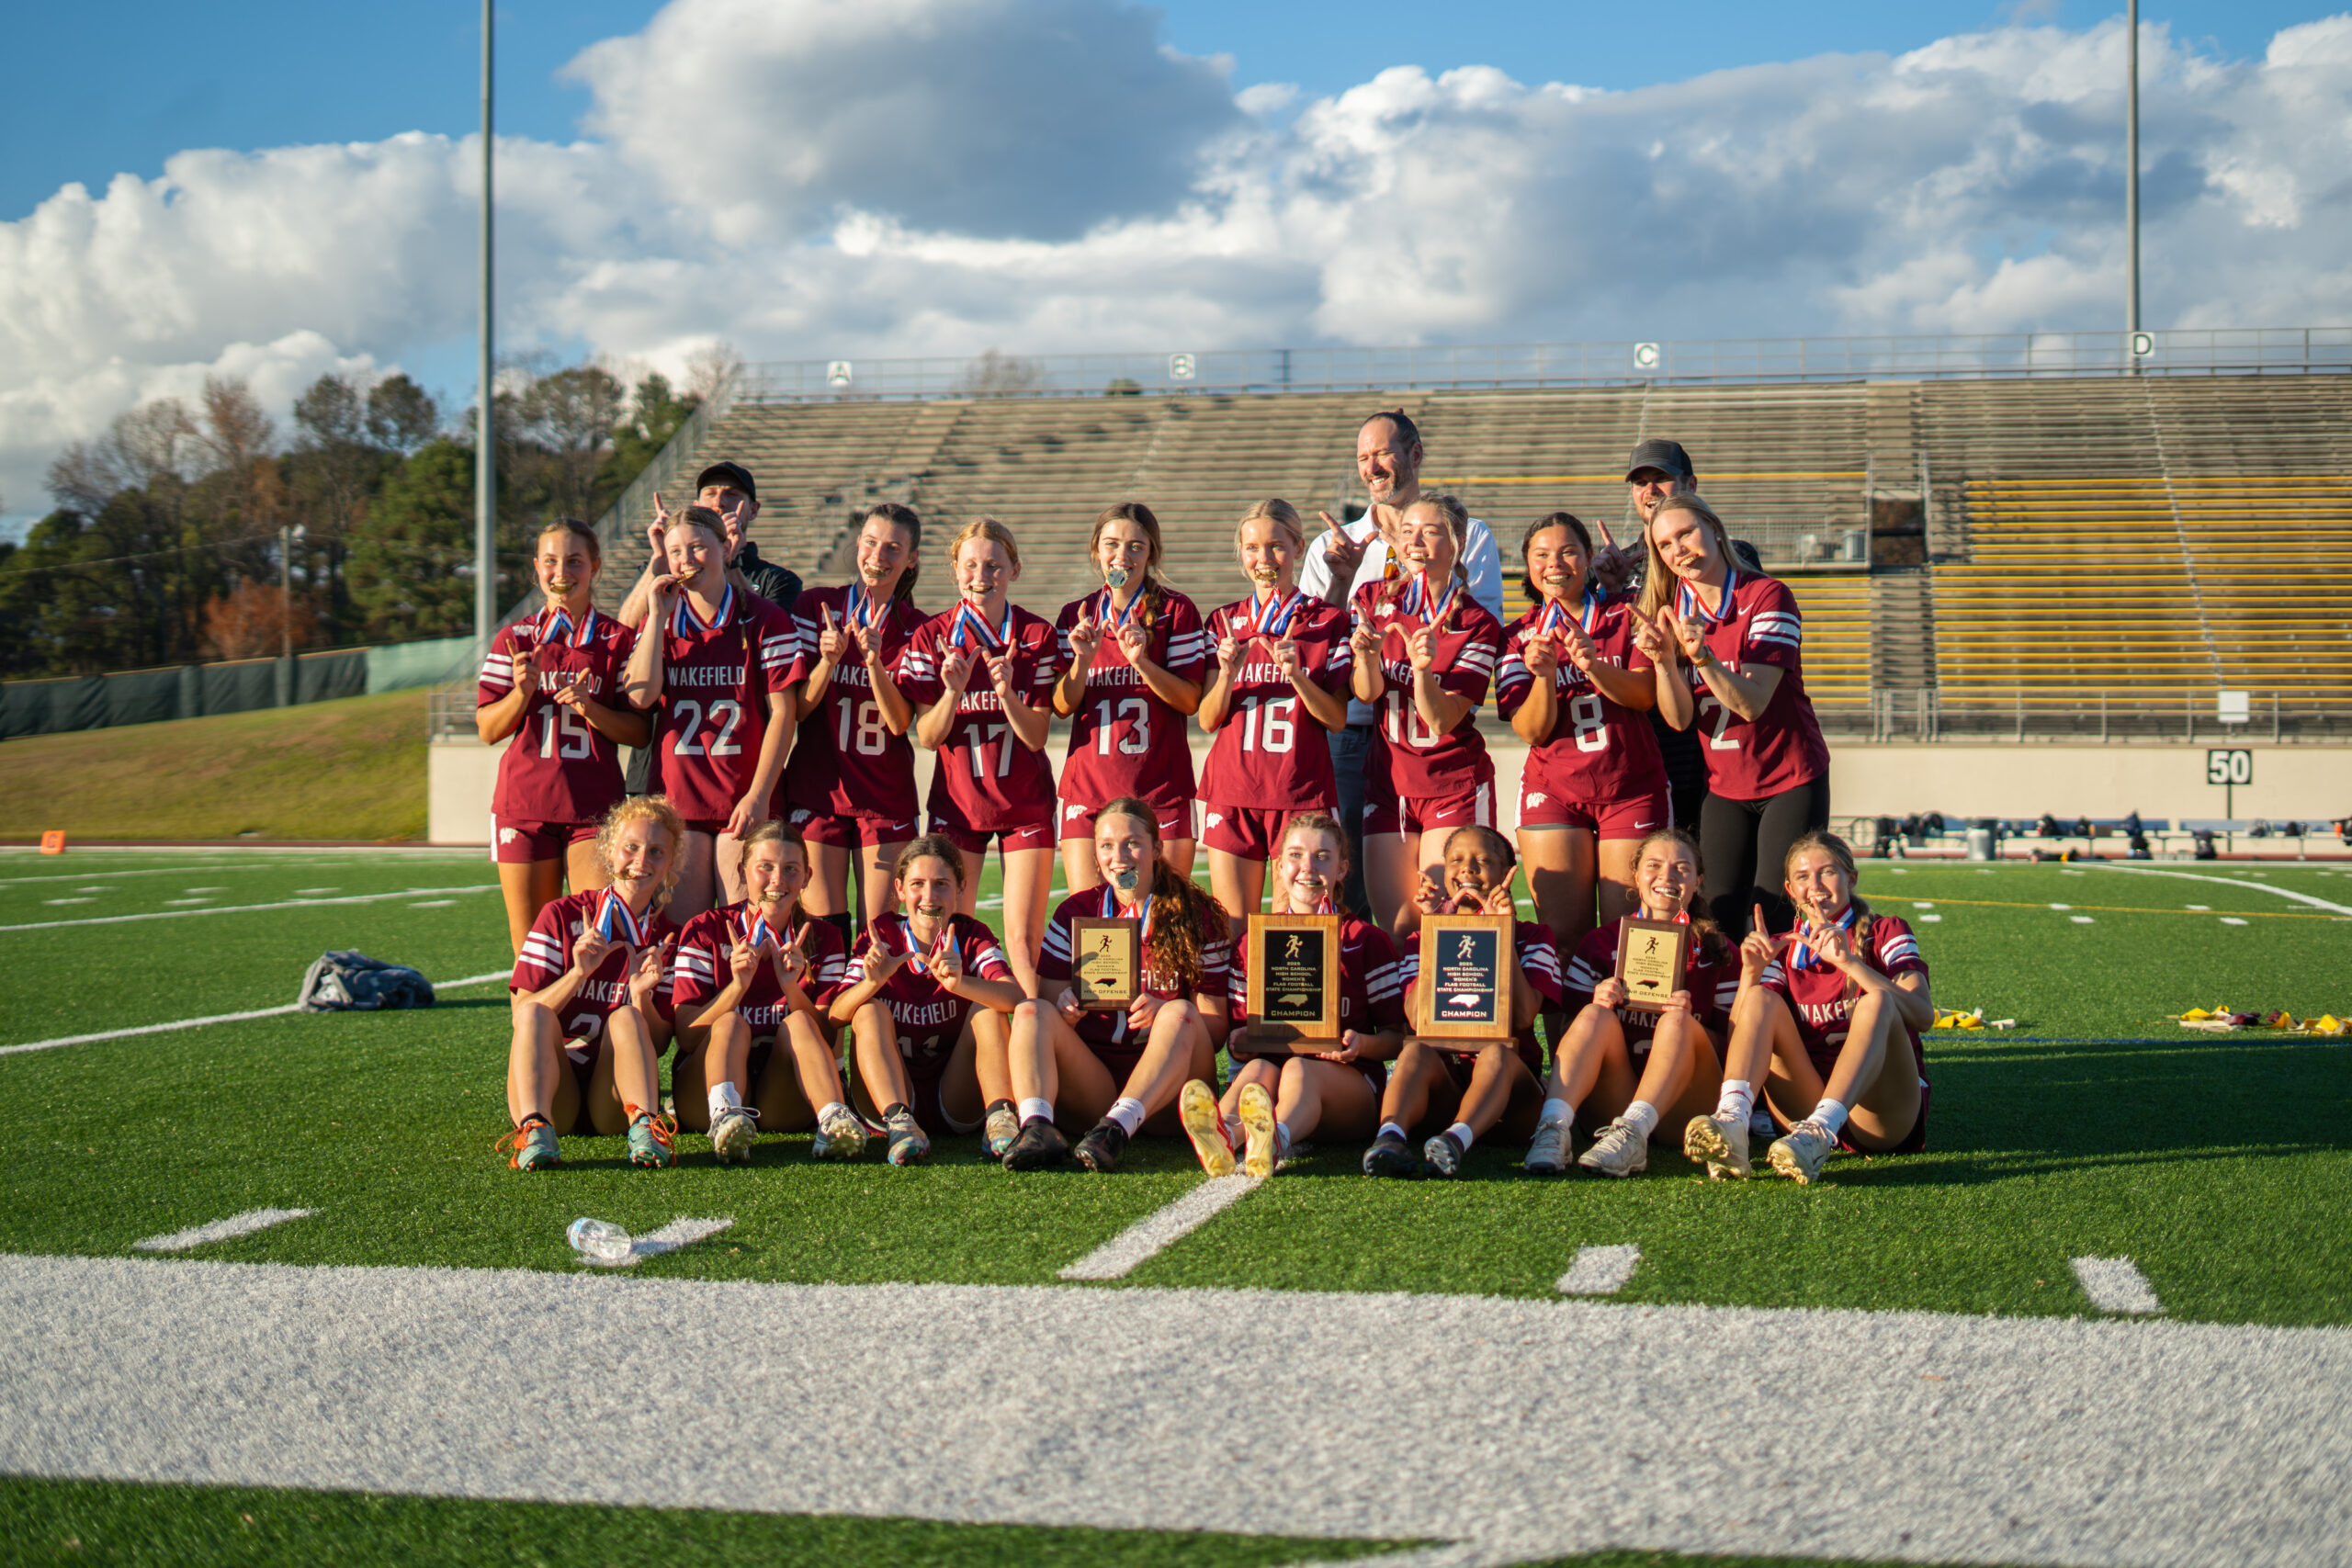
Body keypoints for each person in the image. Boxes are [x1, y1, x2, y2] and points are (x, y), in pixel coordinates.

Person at [1300, 411, 1505, 916]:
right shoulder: (1338, 549)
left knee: (1447, 907)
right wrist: (1343, 582)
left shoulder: (1470, 534)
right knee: (1363, 895)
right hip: (1362, 732)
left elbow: (1472, 621)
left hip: (1441, 738)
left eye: (1384, 453)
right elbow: (1315, 638)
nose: (1373, 467)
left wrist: (1420, 658)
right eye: (1363, 457)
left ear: (1415, 455)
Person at [1634, 491, 1831, 936]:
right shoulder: (1670, 609)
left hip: (1790, 777)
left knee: (1775, 916)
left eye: (1686, 533)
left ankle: (1782, 1006)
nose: (1679, 549)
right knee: (1718, 916)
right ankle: (1726, 1006)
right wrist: (1666, 662)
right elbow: (1680, 720)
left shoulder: (1767, 595)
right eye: (1665, 545)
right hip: (1725, 784)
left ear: (1715, 530)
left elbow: (1751, 703)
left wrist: (1703, 658)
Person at [1683, 831, 1931, 1185]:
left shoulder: (1885, 930)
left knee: (1877, 1002)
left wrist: (1850, 964)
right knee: (1759, 997)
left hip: (1878, 1115)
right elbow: (1742, 1031)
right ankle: (1733, 1122)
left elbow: (1923, 1015)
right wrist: (1750, 974)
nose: (1814, 885)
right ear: (1789, 889)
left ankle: (1820, 1132)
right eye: (1802, 877)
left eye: (1827, 872)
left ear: (1852, 878)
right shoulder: (1783, 945)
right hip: (1803, 1106)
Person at [1001, 796, 1232, 1172]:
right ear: (1095, 854)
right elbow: (1044, 1008)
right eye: (1107, 846)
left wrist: (1164, 1012)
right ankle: (1037, 1126)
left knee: (1179, 1012)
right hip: (1094, 1089)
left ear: (1157, 848)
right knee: (1030, 1011)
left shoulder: (1197, 915)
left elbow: (1217, 1028)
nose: (1119, 856)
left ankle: (1117, 1130)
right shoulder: (1075, 912)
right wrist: (1066, 1010)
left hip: (1168, 1097)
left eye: (1132, 843)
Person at [893, 518, 1066, 995]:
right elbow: (926, 735)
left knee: (1023, 942)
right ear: (954, 570)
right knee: (956, 940)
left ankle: (1034, 1037)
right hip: (959, 805)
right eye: (971, 564)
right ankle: (964, 1047)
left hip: (1024, 803)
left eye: (993, 564)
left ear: (1014, 569)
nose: (981, 575)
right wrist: (951, 692)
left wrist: (1007, 692)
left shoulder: (1034, 634)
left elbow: (1034, 737)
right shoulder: (933, 636)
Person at [1182, 810, 1404, 1179]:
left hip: (1349, 1090)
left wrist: (1359, 1045)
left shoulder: (1365, 940)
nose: (1308, 868)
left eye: (1322, 857)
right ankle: (1225, 1134)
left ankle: (1272, 1141)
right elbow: (1240, 1046)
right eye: (1297, 855)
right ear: (1280, 864)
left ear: (1343, 869)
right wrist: (1243, 1041)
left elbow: (1396, 1040)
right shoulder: (1254, 944)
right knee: (1257, 1069)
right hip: (1277, 1080)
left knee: (1300, 1068)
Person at [1497, 512, 1671, 964]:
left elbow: (1645, 696)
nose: (1555, 563)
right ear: (1528, 566)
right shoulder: (1516, 636)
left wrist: (1593, 665)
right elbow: (1531, 730)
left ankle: (1626, 1037)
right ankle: (1567, 1039)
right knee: (1561, 943)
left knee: (1628, 940)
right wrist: (1544, 676)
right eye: (1541, 554)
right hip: (1554, 790)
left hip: (1628, 787)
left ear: (1589, 557)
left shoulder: (1624, 615)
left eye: (1568, 551)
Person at [623, 506, 806, 925]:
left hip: (742, 798)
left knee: (746, 934)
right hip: (679, 801)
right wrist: (655, 616)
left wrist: (759, 796)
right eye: (675, 551)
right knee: (688, 938)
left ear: (725, 548)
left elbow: (784, 713)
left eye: (698, 548)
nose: (686, 560)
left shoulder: (764, 618)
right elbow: (640, 697)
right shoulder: (665, 619)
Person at [476, 518, 649, 955]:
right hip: (524, 808)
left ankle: (586, 1026)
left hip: (592, 811)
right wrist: (520, 694)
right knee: (531, 950)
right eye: (551, 562)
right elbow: (488, 729)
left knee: (597, 942)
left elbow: (640, 732)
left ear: (596, 567)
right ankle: (528, 1027)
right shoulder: (514, 639)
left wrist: (591, 708)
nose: (561, 573)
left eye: (574, 561)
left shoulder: (618, 640)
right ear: (536, 567)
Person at [1525, 827, 1739, 1179]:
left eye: (1681, 869)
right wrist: (1597, 1003)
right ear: (1636, 876)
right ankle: (1553, 1129)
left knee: (1677, 1021)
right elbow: (1567, 1037)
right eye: (1654, 865)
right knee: (1594, 1014)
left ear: (1698, 881)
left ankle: (1636, 1132)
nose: (1666, 876)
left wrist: (1691, 1026)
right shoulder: (1600, 943)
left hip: (1684, 1110)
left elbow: (1735, 1055)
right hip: (1612, 1104)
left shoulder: (1719, 952)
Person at [1346, 492, 1507, 941]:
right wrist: (1366, 659)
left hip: (1450, 782)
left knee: (1445, 925)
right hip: (1389, 780)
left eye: (1431, 531)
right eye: (1408, 531)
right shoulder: (1372, 597)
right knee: (1398, 929)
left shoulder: (1477, 622)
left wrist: (1421, 673)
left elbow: (1443, 719)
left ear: (1457, 543)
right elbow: (1367, 693)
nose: (1415, 541)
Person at [497, 795, 684, 1171]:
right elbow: (522, 1016)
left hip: (613, 1098)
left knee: (627, 1018)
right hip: (553, 1088)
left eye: (656, 852)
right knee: (536, 1013)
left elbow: (661, 1043)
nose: (641, 861)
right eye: (630, 848)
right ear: (610, 850)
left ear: (670, 864)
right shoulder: (561, 914)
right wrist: (577, 974)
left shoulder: (667, 937)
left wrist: (640, 997)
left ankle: (645, 1128)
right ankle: (534, 1128)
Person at [1196, 500, 1353, 943]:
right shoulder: (1223, 622)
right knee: (1231, 932)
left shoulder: (1328, 621)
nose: (1263, 559)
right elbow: (1208, 720)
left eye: (1275, 547)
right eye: (1252, 548)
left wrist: (1298, 676)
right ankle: (1235, 1016)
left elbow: (1336, 718)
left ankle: (1293, 1017)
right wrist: (1226, 674)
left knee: (1297, 935)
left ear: (1299, 547)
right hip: (1233, 789)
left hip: (1299, 791)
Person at [1363, 824, 1560, 1179]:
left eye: (1483, 861)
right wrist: (1434, 937)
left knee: (1497, 1052)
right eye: (1456, 859)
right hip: (1446, 1085)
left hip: (1511, 1101)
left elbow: (1523, 1016)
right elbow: (1415, 1018)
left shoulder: (1532, 936)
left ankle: (1455, 1141)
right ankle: (1389, 1137)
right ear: (1443, 871)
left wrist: (1503, 931)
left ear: (1506, 874)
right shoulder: (1425, 933)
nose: (1467, 868)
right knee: (1414, 1050)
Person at [668, 819, 865, 1164]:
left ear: (807, 877)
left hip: (783, 1097)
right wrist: (737, 987)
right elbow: (686, 1036)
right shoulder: (706, 929)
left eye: (791, 869)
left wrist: (793, 989)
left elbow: (829, 1040)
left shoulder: (824, 936)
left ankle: (833, 1118)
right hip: (702, 1095)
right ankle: (725, 1115)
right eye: (765, 867)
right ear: (743, 872)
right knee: (730, 1023)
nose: (777, 880)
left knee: (801, 1024)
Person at [831, 835, 1026, 1163]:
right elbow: (836, 1015)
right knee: (868, 1011)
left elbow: (1015, 997)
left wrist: (961, 983)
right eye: (918, 884)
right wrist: (871, 983)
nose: (929, 896)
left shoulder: (970, 935)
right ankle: (900, 1122)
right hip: (890, 1094)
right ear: (900, 889)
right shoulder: (881, 934)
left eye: (941, 884)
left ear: (961, 888)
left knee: (988, 1008)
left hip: (958, 1094)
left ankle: (999, 1118)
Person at [785, 502, 926, 939]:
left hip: (883, 794)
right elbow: (797, 711)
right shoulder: (815, 606)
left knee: (878, 935)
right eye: (870, 543)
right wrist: (827, 662)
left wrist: (873, 664)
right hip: (818, 788)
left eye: (892, 548)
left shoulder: (918, 627)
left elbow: (902, 723)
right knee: (820, 934)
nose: (878, 557)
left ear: (911, 558)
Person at [1050, 502, 1208, 888]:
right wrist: (1082, 662)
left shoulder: (1177, 610)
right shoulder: (1076, 614)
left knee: (1167, 920)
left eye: (1136, 546)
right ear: (1096, 551)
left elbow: (1190, 702)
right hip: (1090, 787)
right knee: (1092, 922)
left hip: (1160, 787)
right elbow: (1061, 705)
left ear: (1151, 553)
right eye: (1112, 545)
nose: (1123, 555)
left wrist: (1143, 664)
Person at [1622, 440, 1709, 835]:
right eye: (1641, 481)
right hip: (1648, 745)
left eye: (1661, 478)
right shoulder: (1616, 567)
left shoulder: (1730, 556)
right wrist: (1603, 587)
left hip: (1712, 736)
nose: (1650, 490)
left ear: (1691, 484)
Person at [617, 460, 801, 627]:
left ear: (753, 510)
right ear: (696, 506)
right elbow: (626, 627)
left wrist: (730, 562)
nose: (719, 503)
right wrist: (661, 556)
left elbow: (771, 631)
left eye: (732, 494)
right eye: (710, 493)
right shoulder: (665, 568)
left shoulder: (779, 580)